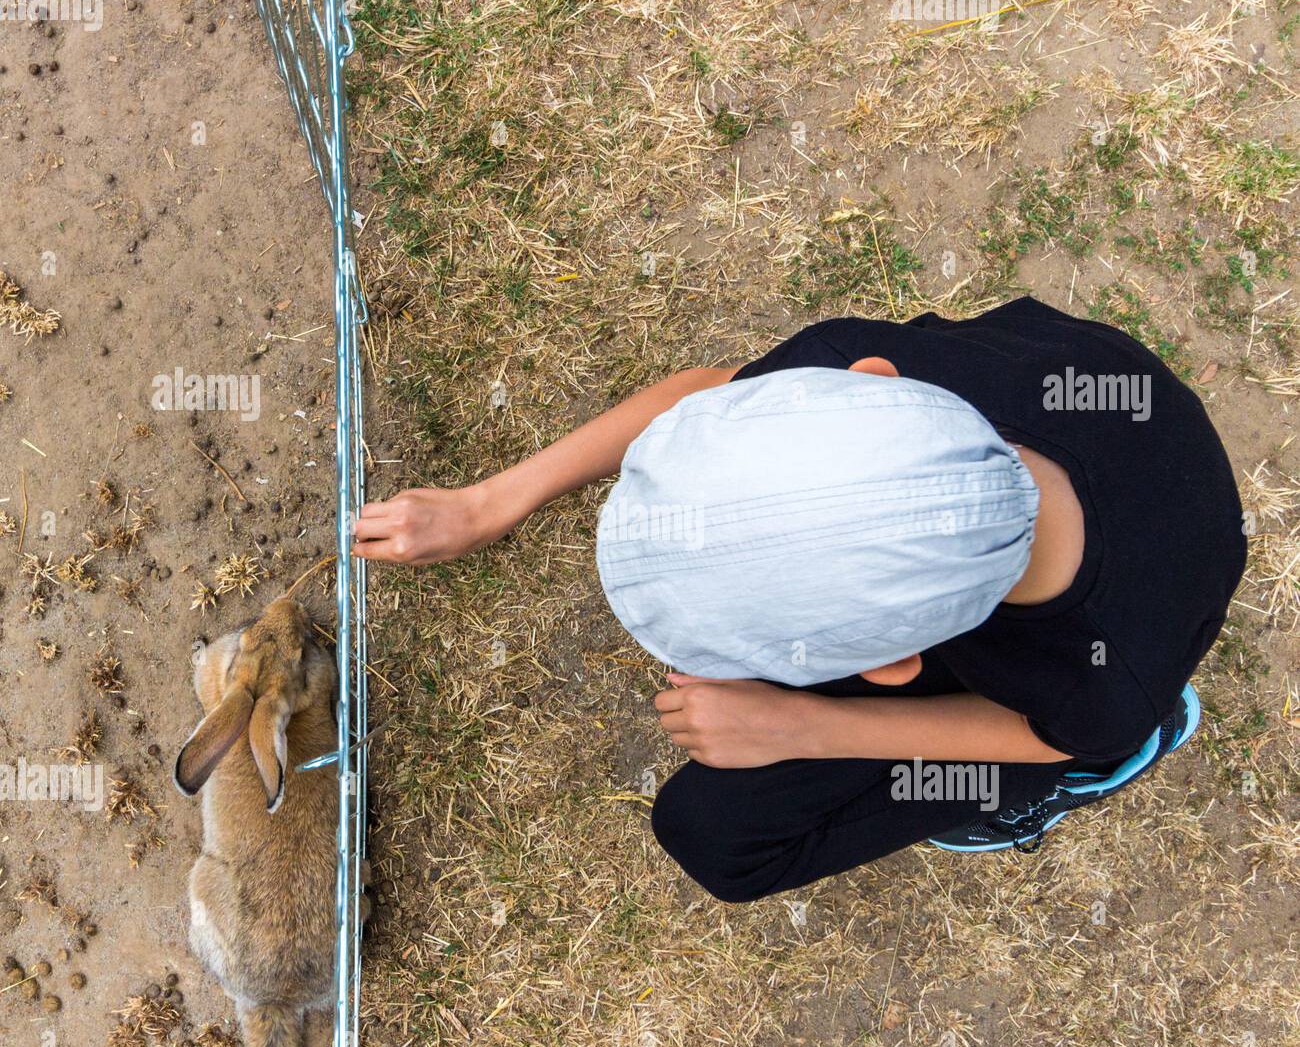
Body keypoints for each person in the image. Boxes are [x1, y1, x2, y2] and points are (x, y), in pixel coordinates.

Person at [353, 297, 1245, 902]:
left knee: (719, 837)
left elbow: (1043, 728)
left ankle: (1103, 769)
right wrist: (489, 501)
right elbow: (710, 396)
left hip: (1087, 695)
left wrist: (803, 728)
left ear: (896, 667)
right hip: (1063, 525)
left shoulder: (1104, 683)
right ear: (868, 383)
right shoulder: (878, 384)